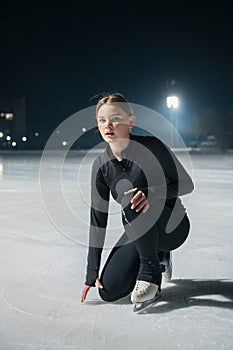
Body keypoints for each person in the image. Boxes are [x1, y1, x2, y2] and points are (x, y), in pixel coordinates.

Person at [81, 92, 194, 306]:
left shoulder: (152, 147)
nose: (108, 126)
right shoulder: (101, 166)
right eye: (102, 120)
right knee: (109, 290)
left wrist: (152, 192)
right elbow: (97, 220)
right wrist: (91, 271)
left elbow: (187, 184)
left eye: (115, 119)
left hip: (172, 226)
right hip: (140, 228)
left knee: (131, 199)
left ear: (130, 121)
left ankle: (151, 274)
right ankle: (158, 257)